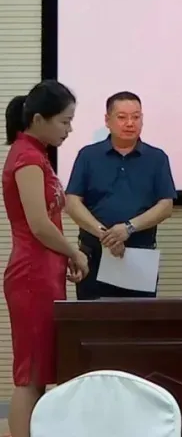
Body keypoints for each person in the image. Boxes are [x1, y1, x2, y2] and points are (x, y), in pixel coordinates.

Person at [3, 81, 89, 437]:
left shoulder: (37, 155)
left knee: (40, 370)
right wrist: (74, 252)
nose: (69, 129)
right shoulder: (27, 158)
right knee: (31, 374)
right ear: (39, 119)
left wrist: (65, 256)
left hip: (44, 273)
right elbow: (39, 224)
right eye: (64, 121)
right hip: (31, 275)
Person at [64, 91, 176, 299]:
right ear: (107, 120)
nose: (130, 123)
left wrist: (128, 228)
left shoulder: (157, 158)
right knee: (93, 317)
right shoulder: (88, 155)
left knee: (139, 318)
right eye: (122, 117)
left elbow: (165, 206)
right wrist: (105, 235)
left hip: (139, 256)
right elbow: (72, 203)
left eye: (136, 117)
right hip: (94, 254)